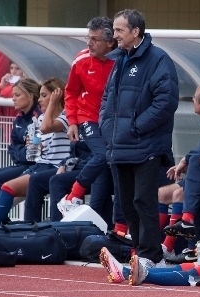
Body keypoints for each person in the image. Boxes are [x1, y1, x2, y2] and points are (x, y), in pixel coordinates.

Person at [99, 9, 179, 269]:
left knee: (143, 200)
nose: (115, 35)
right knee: (125, 202)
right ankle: (142, 251)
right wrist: (106, 123)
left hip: (145, 145)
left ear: (136, 32)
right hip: (119, 144)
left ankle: (150, 255)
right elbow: (108, 98)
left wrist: (135, 127)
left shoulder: (158, 60)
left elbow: (166, 102)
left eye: (120, 30)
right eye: (115, 29)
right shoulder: (120, 60)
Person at [0, 77, 70, 229]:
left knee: (8, 185)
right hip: (40, 165)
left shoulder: (66, 116)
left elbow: (46, 128)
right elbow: (31, 152)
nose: (40, 100)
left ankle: (17, 230)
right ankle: (3, 229)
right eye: (40, 96)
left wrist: (53, 104)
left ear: (56, 96)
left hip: (56, 167)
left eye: (44, 96)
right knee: (3, 185)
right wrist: (35, 146)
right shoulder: (39, 119)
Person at [159, 82, 200, 263]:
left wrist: (188, 159)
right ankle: (156, 243)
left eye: (194, 98)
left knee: (180, 192)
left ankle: (170, 247)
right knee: (162, 193)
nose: (192, 101)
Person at [58, 16, 116, 216]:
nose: (89, 43)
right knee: (101, 155)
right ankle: (71, 197)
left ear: (110, 42)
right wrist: (72, 122)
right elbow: (71, 92)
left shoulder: (122, 61)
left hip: (112, 121)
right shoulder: (81, 60)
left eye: (95, 39)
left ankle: (116, 228)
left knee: (112, 163)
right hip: (88, 116)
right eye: (88, 38)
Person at [0, 78, 43, 205]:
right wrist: (22, 150)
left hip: (35, 166)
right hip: (21, 163)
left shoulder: (38, 117)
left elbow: (33, 155)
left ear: (30, 96)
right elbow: (12, 148)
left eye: (17, 95)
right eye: (13, 95)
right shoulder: (19, 118)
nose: (13, 98)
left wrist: (21, 151)